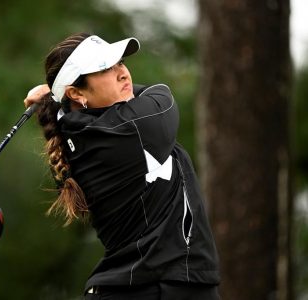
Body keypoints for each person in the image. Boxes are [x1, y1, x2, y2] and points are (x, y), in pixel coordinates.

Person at [24, 32, 220, 300]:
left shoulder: (77, 134)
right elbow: (160, 94)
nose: (123, 74)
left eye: (119, 63)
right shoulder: (131, 127)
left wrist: (59, 96)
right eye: (105, 68)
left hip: (139, 286)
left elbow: (97, 104)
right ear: (76, 93)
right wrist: (55, 94)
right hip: (157, 288)